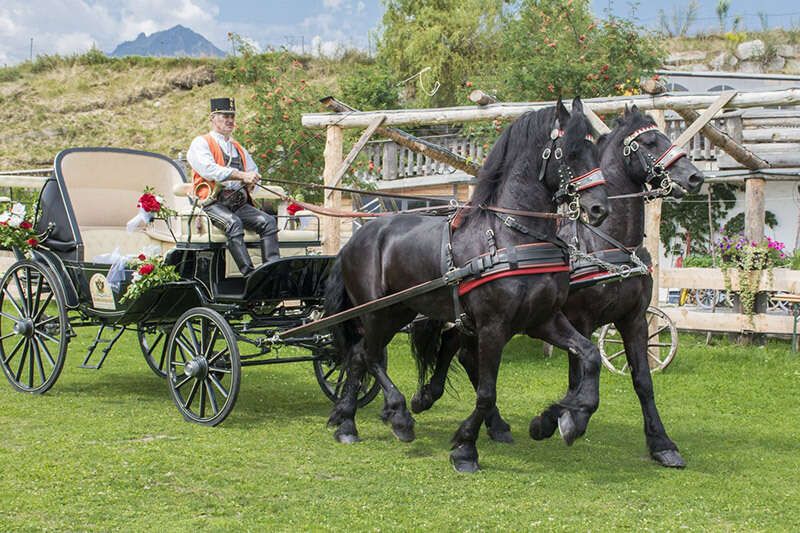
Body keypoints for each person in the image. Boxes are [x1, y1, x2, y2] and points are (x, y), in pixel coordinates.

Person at [187, 97, 279, 275]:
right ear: (212, 118)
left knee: (268, 222)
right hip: (212, 204)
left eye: (232, 116)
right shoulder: (201, 143)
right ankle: (249, 274)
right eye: (224, 115)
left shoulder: (238, 148)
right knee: (233, 223)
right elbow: (209, 170)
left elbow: (253, 172)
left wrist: (253, 183)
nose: (229, 120)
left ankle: (271, 271)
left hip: (238, 204)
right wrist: (242, 175)